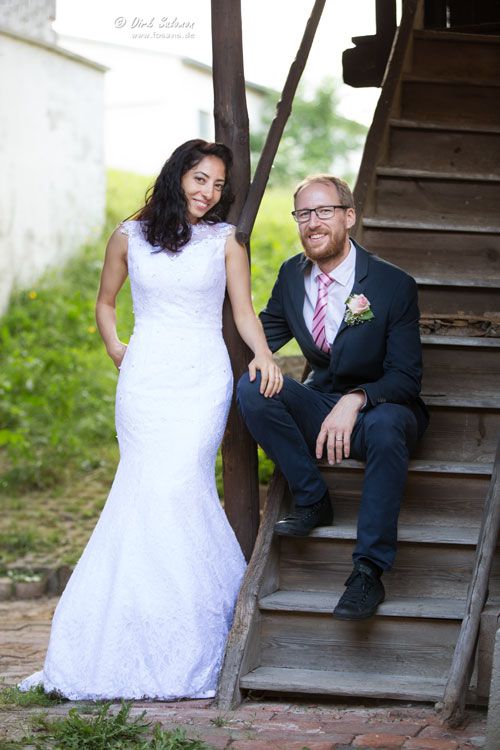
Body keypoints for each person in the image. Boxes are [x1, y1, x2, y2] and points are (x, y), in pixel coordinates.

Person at [19, 139, 283, 700]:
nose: (208, 193)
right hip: (145, 381)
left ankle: (199, 641)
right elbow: (106, 302)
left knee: (180, 485)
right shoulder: (129, 236)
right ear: (177, 175)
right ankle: (120, 637)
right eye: (199, 179)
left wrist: (262, 354)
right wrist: (118, 349)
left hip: (200, 381)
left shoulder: (226, 242)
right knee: (140, 492)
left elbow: (241, 311)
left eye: (217, 185)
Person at [237, 174, 429, 621]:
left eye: (323, 211)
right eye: (303, 213)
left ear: (349, 217)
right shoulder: (291, 276)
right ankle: (312, 498)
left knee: (384, 429)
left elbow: (406, 378)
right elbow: (263, 335)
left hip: (384, 410)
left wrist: (358, 398)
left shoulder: (391, 285)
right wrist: (258, 356)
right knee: (253, 388)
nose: (312, 223)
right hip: (322, 404)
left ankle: (367, 571)